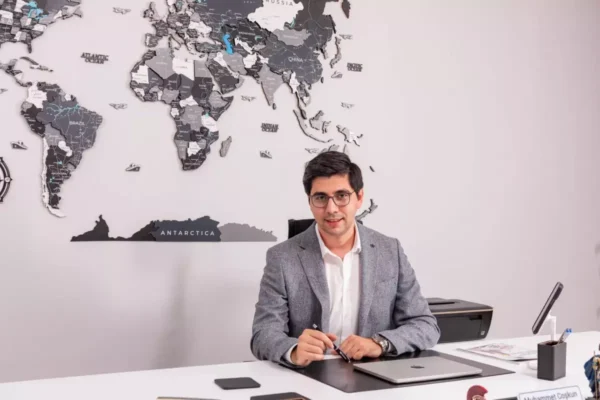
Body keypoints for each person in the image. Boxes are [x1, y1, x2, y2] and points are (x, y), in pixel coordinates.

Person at [250, 151, 440, 367]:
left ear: (359, 198)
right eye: (320, 198)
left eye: (341, 196)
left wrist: (379, 344)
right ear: (310, 202)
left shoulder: (390, 251)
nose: (331, 209)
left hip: (372, 373)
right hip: (308, 374)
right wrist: (293, 350)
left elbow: (425, 325)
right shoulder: (282, 258)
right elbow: (263, 334)